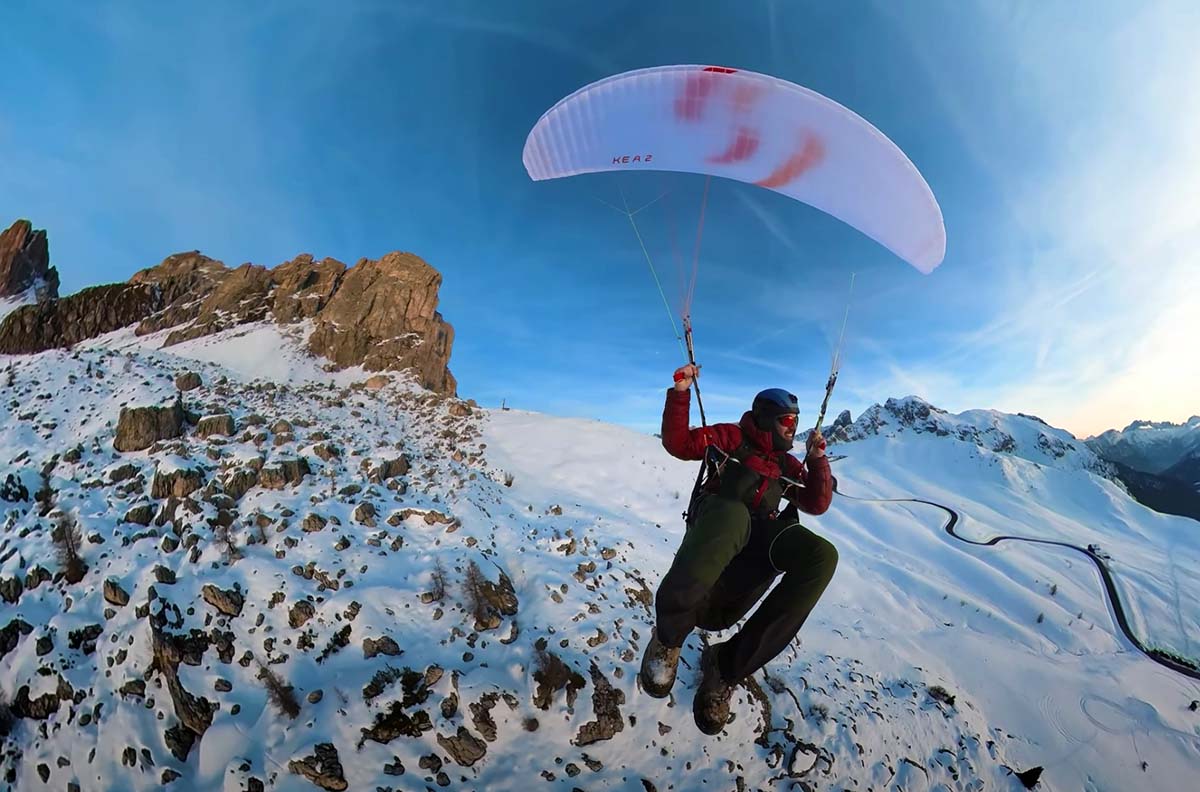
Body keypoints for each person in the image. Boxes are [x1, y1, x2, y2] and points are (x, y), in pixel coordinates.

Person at [640, 363, 837, 735]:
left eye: (795, 421)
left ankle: (727, 667)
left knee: (822, 557)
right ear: (764, 418)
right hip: (717, 523)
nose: (792, 428)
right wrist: (681, 393)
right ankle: (668, 639)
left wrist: (816, 461)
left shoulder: (786, 464)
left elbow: (816, 502)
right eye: (786, 420)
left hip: (755, 541)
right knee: (735, 514)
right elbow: (679, 443)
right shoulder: (732, 438)